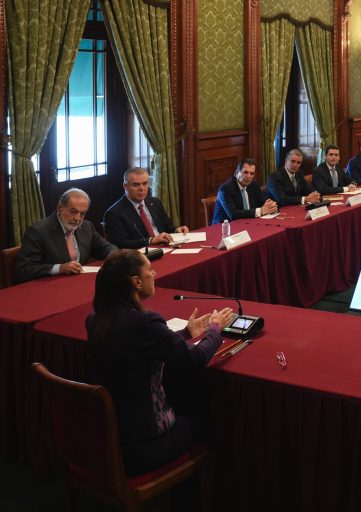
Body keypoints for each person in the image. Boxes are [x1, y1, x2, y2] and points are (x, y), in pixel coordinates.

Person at [86, 249, 234, 475]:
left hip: (111, 435)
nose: (154, 274)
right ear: (136, 282)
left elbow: (136, 347)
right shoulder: (145, 322)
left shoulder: (96, 319)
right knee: (212, 421)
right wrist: (215, 329)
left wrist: (186, 333)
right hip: (147, 444)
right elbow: (196, 358)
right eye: (150, 269)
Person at [15, 188, 117, 284]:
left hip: (77, 283)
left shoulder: (86, 227)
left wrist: (115, 258)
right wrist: (59, 268)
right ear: (60, 208)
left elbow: (108, 248)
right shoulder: (38, 231)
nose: (78, 218)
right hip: (49, 286)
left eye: (82, 214)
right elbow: (23, 270)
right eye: (73, 212)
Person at [104, 167, 189, 248]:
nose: (142, 188)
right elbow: (121, 243)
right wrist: (150, 240)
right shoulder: (114, 213)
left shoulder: (155, 202)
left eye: (145, 184)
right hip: (141, 253)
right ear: (125, 186)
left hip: (166, 246)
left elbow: (168, 227)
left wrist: (176, 230)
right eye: (136, 185)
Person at [211, 158, 277, 224]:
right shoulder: (225, 189)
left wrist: (271, 206)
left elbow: (263, 202)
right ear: (236, 173)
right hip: (224, 226)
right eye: (245, 172)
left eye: (252, 173)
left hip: (248, 223)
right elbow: (233, 214)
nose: (248, 176)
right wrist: (261, 211)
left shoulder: (254, 185)